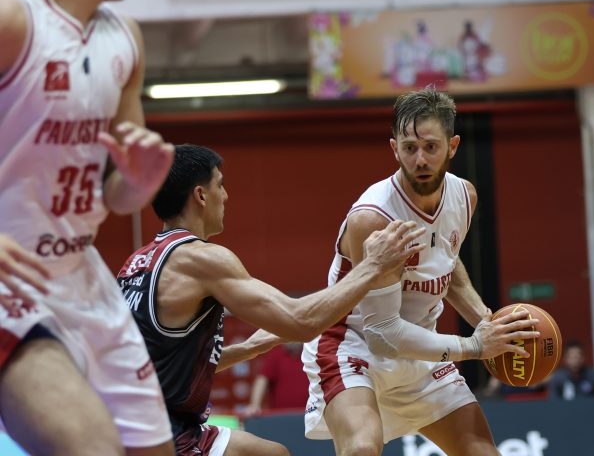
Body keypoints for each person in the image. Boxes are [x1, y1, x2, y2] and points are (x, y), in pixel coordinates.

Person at [116, 144, 427, 456]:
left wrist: (250, 348)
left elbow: (168, 365)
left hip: (136, 422)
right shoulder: (200, 259)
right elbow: (302, 321)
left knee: (272, 453)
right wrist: (372, 266)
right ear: (200, 195)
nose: (225, 195)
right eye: (220, 185)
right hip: (159, 435)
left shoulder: (135, 264)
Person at [0, 0, 177, 455]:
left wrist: (141, 182)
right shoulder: (13, 18)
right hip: (9, 286)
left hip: (83, 279)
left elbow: (118, 197)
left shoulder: (124, 39)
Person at [302, 86, 540, 456]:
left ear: (453, 146)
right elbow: (383, 335)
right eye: (410, 148)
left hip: (420, 347)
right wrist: (474, 346)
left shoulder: (464, 196)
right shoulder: (374, 218)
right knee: (362, 449)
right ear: (394, 148)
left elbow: (447, 262)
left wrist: (487, 322)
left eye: (431, 147)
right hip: (355, 345)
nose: (421, 159)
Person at [243, 342, 309, 416]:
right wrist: (254, 405)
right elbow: (262, 380)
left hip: (310, 414)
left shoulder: (311, 355)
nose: (292, 340)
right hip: (280, 416)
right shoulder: (275, 355)